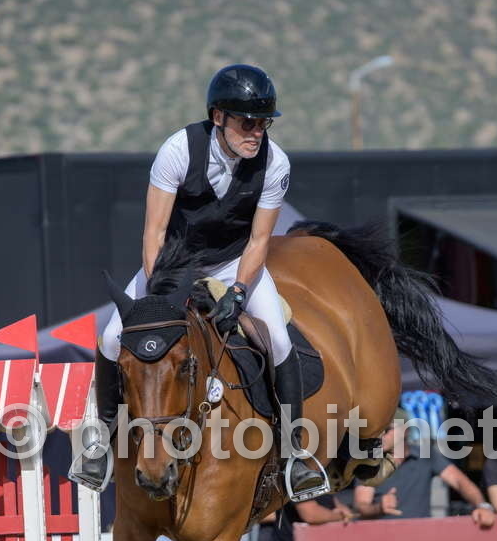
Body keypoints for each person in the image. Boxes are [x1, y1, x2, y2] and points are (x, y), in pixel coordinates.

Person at [70, 64, 325, 499]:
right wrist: (160, 294)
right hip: (174, 263)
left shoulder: (275, 163)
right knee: (111, 337)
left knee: (279, 341)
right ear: (218, 116)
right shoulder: (177, 150)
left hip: (234, 262)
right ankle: (100, 444)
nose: (256, 132)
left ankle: (294, 453)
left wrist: (239, 291)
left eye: (263, 124)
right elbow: (154, 233)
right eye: (247, 122)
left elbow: (259, 240)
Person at [354, 409, 495, 527]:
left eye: (387, 429)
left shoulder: (426, 455)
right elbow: (361, 505)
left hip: (421, 536)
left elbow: (460, 482)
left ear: (406, 431)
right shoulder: (369, 462)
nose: (380, 435)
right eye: (377, 430)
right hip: (381, 539)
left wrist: (482, 506)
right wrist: (379, 508)